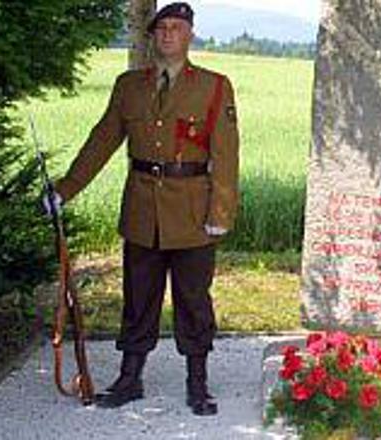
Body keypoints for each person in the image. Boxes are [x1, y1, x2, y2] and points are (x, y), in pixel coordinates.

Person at [43, 2, 239, 416]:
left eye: (176, 28)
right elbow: (101, 141)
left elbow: (226, 155)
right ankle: (130, 379)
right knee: (138, 298)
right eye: (161, 28)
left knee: (193, 301)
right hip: (142, 211)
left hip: (193, 213)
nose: (168, 34)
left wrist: (220, 213)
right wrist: (65, 189)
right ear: (151, 36)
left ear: (190, 35)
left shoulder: (214, 87)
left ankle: (197, 383)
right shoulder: (129, 86)